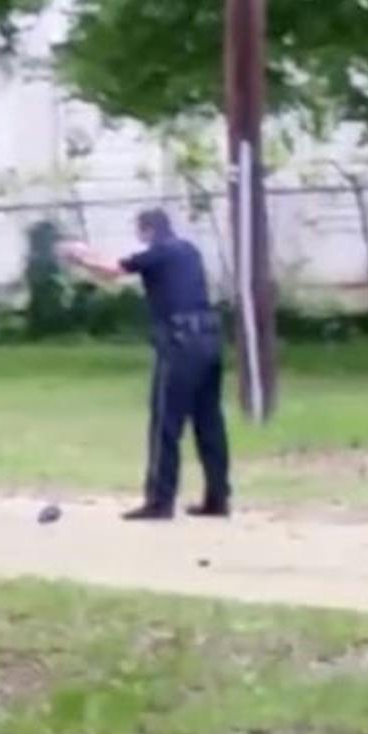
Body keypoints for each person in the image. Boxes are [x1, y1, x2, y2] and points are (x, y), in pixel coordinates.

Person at [61, 209, 232, 521]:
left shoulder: (158, 253)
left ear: (148, 230)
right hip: (209, 340)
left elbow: (113, 270)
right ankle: (217, 497)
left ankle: (159, 501)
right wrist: (90, 256)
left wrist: (79, 258)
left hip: (180, 344)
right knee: (209, 422)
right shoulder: (187, 250)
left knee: (165, 424)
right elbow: (121, 265)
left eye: (139, 231)